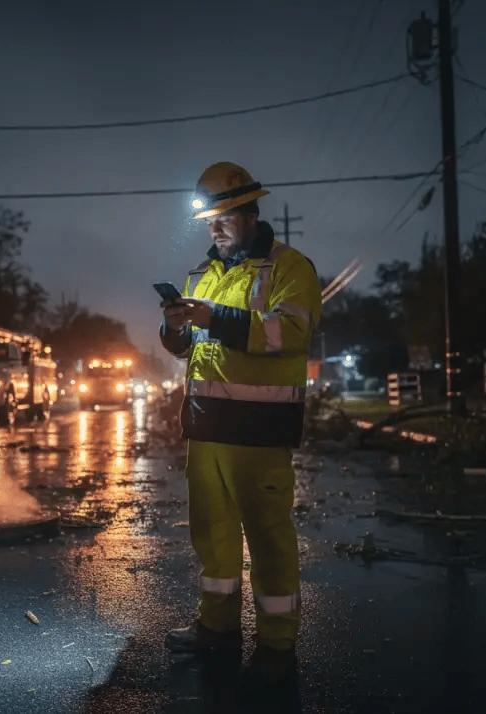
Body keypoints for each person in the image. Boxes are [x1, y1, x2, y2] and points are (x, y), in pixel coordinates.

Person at [158, 161, 322, 685]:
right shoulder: (202, 275)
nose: (215, 228)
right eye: (210, 220)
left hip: (259, 431)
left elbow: (290, 334)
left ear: (251, 214)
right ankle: (217, 630)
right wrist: (175, 326)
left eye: (224, 216)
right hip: (206, 431)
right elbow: (187, 350)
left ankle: (276, 647)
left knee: (269, 537)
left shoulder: (289, 267)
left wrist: (213, 319)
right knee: (213, 537)